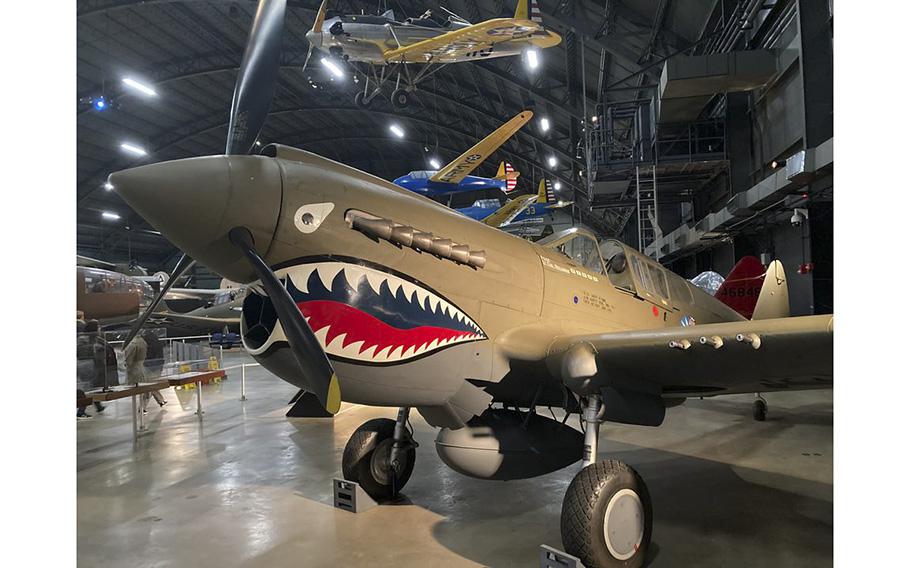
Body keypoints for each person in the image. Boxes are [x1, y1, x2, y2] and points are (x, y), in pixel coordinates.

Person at [124, 332, 167, 413]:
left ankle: (146, 406)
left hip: (147, 368)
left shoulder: (145, 346)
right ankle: (159, 401)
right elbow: (162, 357)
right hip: (157, 368)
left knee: (149, 388)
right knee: (151, 387)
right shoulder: (158, 345)